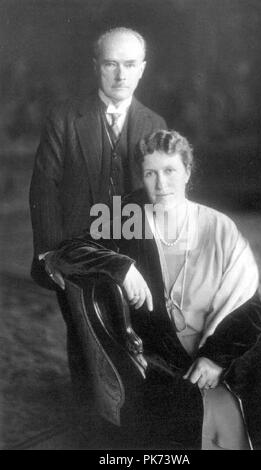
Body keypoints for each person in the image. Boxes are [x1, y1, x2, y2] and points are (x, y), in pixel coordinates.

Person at [47, 130, 261, 449]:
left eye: (170, 171)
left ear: (187, 172)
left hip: (226, 344)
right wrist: (121, 266)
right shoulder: (127, 217)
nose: (161, 184)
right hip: (167, 356)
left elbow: (249, 305)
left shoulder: (218, 227)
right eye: (150, 173)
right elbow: (68, 250)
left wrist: (216, 358)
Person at [29, 27, 166, 395]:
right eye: (111, 64)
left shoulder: (154, 125)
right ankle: (88, 420)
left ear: (142, 69)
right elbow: (44, 186)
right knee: (85, 335)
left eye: (130, 65)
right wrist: (49, 252)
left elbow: (163, 196)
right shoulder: (65, 118)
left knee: (134, 334)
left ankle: (134, 415)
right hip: (76, 246)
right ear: (96, 67)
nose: (121, 75)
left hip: (133, 246)